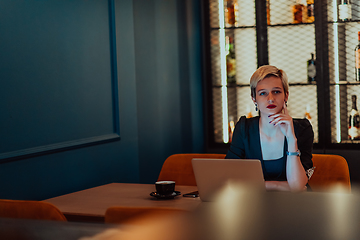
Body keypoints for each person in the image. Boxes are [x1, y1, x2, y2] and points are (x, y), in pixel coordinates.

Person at [226, 65, 313, 192]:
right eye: (263, 93)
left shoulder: (302, 129)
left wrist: (291, 139)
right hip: (254, 204)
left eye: (276, 91)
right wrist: (278, 185)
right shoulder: (244, 128)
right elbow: (229, 178)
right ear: (254, 99)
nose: (270, 99)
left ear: (286, 95)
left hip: (294, 204)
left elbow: (297, 186)